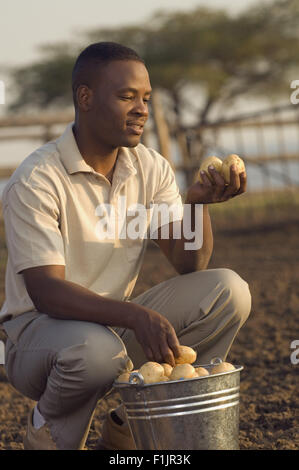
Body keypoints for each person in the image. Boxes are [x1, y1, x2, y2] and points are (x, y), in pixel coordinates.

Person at [0, 42, 251, 450]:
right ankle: (45, 427)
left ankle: (128, 426)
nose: (142, 109)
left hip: (111, 329)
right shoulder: (37, 179)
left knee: (228, 292)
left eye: (146, 98)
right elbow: (46, 292)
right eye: (126, 96)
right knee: (96, 352)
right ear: (86, 97)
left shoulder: (149, 167)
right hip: (37, 337)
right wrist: (135, 316)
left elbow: (190, 263)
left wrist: (197, 205)